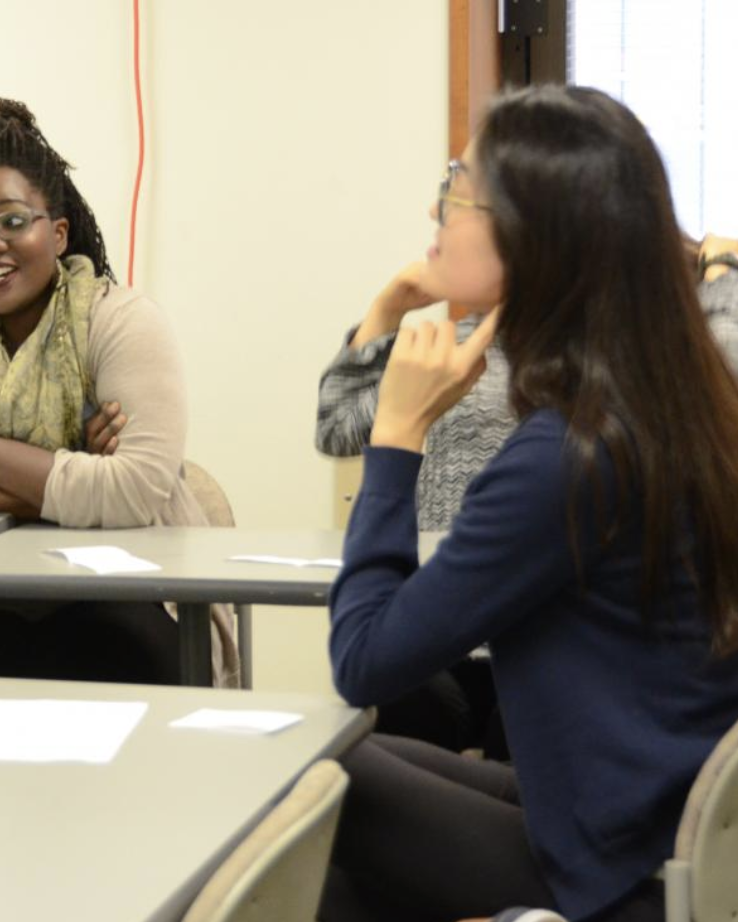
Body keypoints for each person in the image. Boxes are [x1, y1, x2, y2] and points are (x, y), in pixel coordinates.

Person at [320, 85, 738, 922]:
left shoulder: (569, 455)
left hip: (624, 875)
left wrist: (397, 434)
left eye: (457, 188)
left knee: (316, 792)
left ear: (535, 235)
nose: (433, 209)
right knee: (340, 756)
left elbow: (363, 657)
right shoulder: (664, 401)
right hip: (658, 825)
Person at [0, 98, 236, 686]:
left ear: (58, 233)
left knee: (125, 650)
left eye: (11, 221)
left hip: (124, 586)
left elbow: (133, 492)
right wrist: (68, 480)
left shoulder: (119, 319)